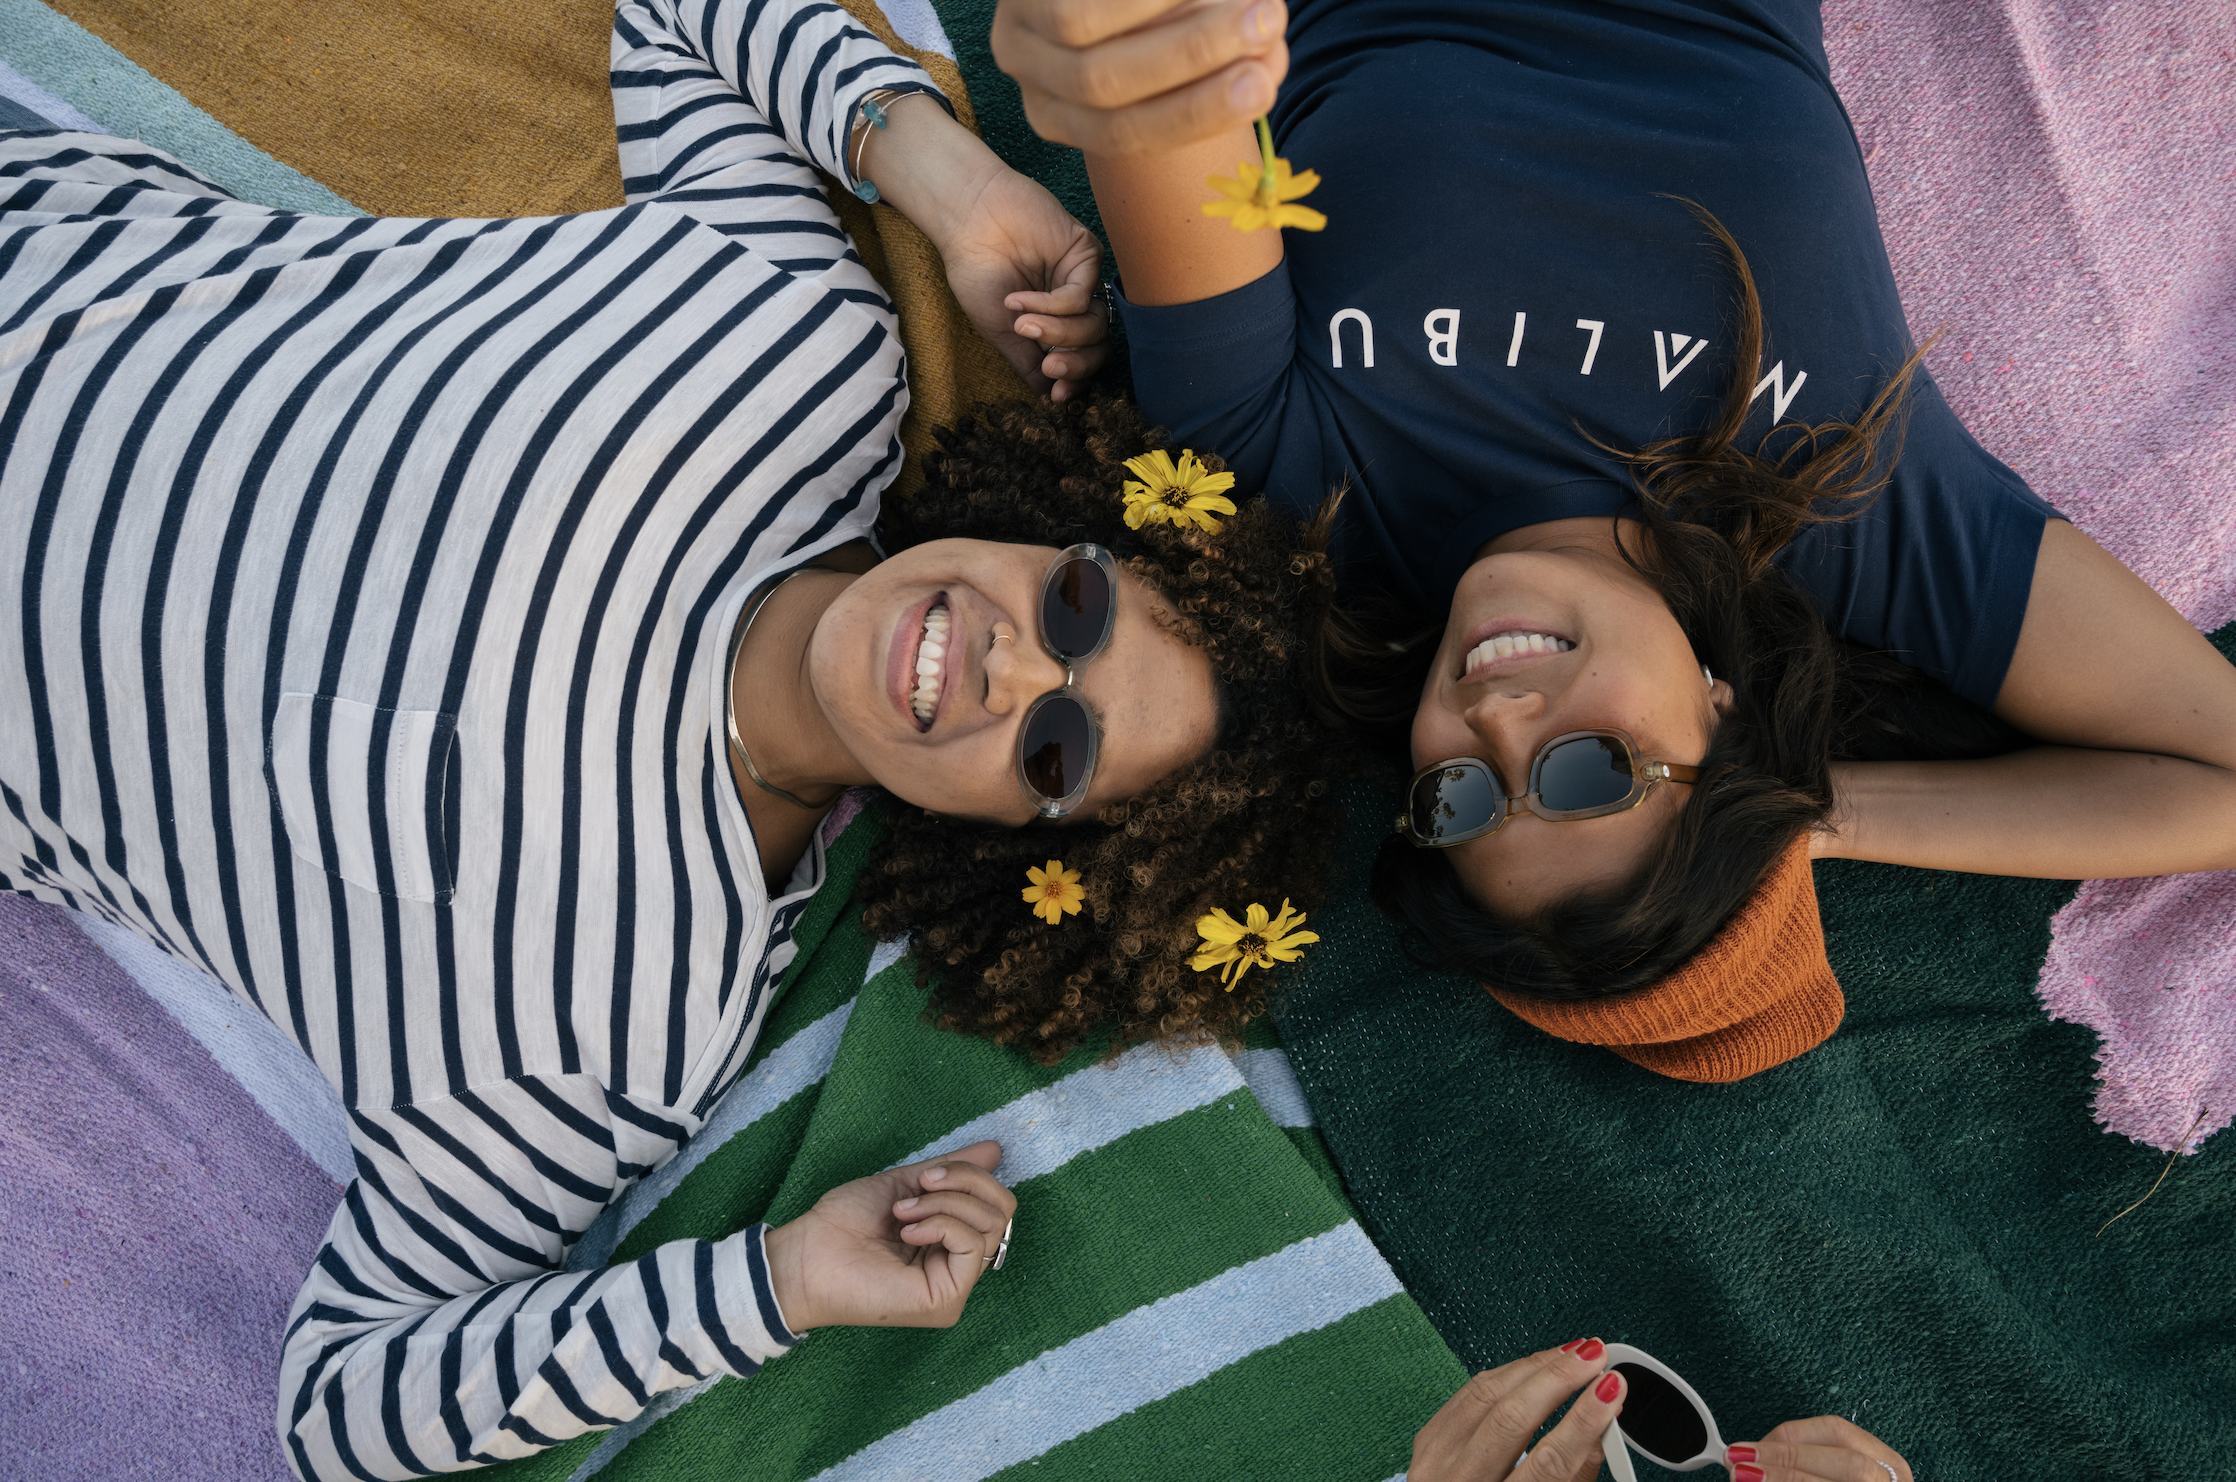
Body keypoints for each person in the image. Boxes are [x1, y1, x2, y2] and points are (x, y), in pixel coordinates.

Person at [0, 0, 1343, 1476]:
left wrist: (776, 1285)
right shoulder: (801, 348)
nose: (1012, 664)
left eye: (1055, 753)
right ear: (1062, 525)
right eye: (1077, 604)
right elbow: (674, 18)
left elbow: (349, 1401)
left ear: (1015, 847)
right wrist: (958, 188)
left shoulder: (619, 1018)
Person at [993, 0, 2236, 1084]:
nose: (1496, 723)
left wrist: (1117, 50)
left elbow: (1159, 83)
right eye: (1591, 771)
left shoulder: (1291, 495)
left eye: (1459, 799)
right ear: (1723, 718)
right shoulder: (1856, 515)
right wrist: (1802, 817)